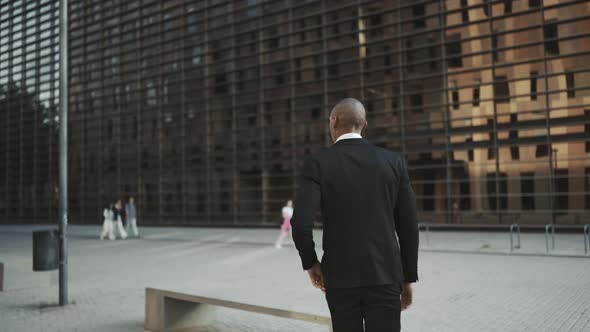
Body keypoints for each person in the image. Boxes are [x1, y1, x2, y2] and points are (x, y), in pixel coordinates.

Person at [291, 98, 419, 332]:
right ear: (364, 124)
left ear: (333, 121)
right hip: (386, 274)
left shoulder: (318, 163)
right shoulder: (393, 162)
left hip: (339, 278)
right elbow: (409, 226)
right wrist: (408, 277)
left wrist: (311, 263)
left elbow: (299, 224)